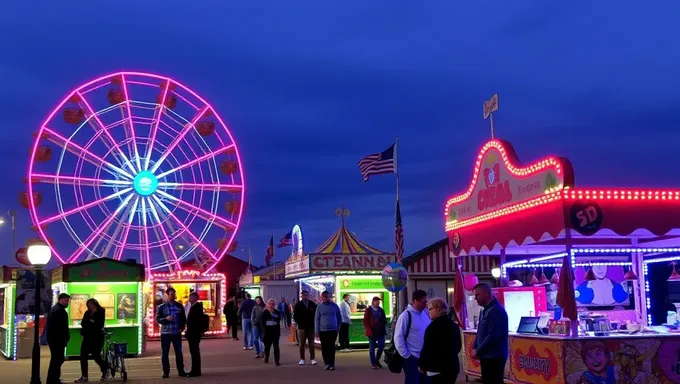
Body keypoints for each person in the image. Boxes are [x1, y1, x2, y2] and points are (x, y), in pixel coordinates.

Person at [472, 283, 509, 384]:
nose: (475, 298)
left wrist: (478, 350)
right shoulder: (484, 310)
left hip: (495, 356)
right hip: (486, 356)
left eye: (477, 295)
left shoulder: (496, 311)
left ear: (485, 294)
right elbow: (480, 331)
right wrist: (474, 346)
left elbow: (493, 336)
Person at [418, 298, 461, 383]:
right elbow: (458, 346)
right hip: (452, 367)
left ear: (438, 309)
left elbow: (427, 349)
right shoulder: (453, 325)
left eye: (430, 309)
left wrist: (421, 364)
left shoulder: (432, 327)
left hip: (436, 369)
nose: (428, 312)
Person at [394, 289, 431, 384]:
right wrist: (407, 356)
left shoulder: (425, 314)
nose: (425, 304)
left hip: (425, 358)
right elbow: (398, 337)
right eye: (423, 302)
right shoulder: (406, 316)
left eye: (426, 301)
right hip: (412, 357)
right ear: (415, 301)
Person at [156, 287, 187, 378]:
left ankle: (181, 371)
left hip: (176, 333)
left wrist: (181, 328)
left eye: (174, 294)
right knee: (165, 353)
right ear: (167, 295)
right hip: (166, 333)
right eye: (171, 294)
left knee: (179, 352)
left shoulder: (179, 306)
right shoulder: (162, 307)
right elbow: (157, 319)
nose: (173, 296)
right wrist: (166, 319)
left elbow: (183, 319)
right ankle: (166, 372)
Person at [75, 299, 108, 383]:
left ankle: (105, 368)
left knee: (96, 356)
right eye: (88, 304)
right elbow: (83, 323)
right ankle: (84, 376)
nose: (90, 306)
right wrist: (90, 322)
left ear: (95, 304)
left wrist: (90, 323)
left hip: (97, 338)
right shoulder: (87, 313)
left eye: (91, 304)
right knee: (83, 357)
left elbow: (99, 325)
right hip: (87, 337)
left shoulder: (101, 311)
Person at [46, 293, 70, 384]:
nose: (67, 302)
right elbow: (61, 327)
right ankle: (53, 379)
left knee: (56, 359)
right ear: (61, 299)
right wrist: (66, 338)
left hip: (53, 339)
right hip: (57, 339)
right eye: (66, 300)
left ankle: (54, 378)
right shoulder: (59, 311)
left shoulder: (55, 309)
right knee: (57, 360)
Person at [315, 290, 342, 371]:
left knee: (331, 347)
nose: (326, 298)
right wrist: (317, 330)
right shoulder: (319, 307)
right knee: (325, 347)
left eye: (327, 297)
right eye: (324, 297)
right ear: (322, 298)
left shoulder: (335, 306)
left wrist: (338, 328)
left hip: (333, 330)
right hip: (323, 331)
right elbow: (316, 319)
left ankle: (332, 364)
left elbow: (339, 318)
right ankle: (326, 363)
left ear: (329, 297)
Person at [293, 290, 318, 365]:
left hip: (310, 326)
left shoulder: (312, 304)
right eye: (303, 295)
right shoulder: (298, 305)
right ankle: (302, 358)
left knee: (311, 343)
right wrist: (298, 322)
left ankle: (312, 359)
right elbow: (295, 315)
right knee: (302, 343)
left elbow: (316, 315)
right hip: (301, 327)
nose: (305, 296)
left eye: (306, 295)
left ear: (308, 295)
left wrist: (314, 323)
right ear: (301, 296)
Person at [186, 292, 207, 377]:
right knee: (194, 352)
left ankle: (195, 371)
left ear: (194, 297)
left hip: (194, 333)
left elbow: (193, 321)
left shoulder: (196, 307)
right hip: (194, 333)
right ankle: (195, 370)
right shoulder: (195, 307)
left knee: (194, 352)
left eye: (190, 297)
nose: (189, 299)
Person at [363, 296, 387, 369]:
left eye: (379, 301)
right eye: (376, 301)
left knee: (382, 346)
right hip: (372, 332)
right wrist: (368, 329)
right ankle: (373, 363)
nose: (378, 302)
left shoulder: (381, 310)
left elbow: (384, 320)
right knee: (372, 348)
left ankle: (377, 360)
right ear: (373, 302)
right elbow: (365, 321)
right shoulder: (369, 310)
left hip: (380, 331)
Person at [262, 298, 282, 366]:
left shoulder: (277, 312)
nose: (271, 305)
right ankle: (267, 356)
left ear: (274, 305)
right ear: (267, 304)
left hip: (275, 332)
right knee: (267, 346)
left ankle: (277, 361)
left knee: (276, 346)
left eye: (272, 304)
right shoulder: (265, 312)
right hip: (267, 332)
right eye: (270, 304)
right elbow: (263, 322)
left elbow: (278, 320)